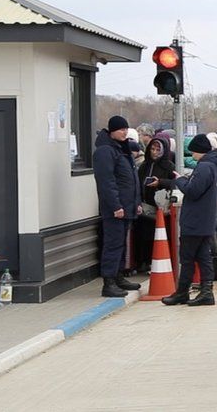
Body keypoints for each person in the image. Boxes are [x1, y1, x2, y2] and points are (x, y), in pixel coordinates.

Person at [162, 134, 217, 306]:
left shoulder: (205, 167)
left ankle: (182, 292)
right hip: (207, 219)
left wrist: (180, 180)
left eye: (193, 152)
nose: (192, 156)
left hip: (194, 220)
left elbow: (192, 191)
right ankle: (206, 292)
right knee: (204, 257)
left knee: (188, 258)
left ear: (198, 151)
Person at [92, 116, 143, 297]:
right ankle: (109, 282)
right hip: (115, 208)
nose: (125, 132)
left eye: (126, 129)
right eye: (121, 129)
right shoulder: (105, 151)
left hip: (127, 206)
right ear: (112, 130)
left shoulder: (123, 149)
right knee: (113, 244)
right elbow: (106, 182)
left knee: (121, 244)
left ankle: (119, 276)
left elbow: (131, 180)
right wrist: (115, 205)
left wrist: (136, 203)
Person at [135, 136, 175, 273]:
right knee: (143, 235)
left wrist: (160, 182)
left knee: (159, 235)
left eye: (158, 149)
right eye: (152, 149)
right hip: (145, 206)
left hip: (160, 206)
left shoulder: (168, 166)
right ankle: (143, 261)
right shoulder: (144, 166)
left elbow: (174, 183)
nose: (155, 152)